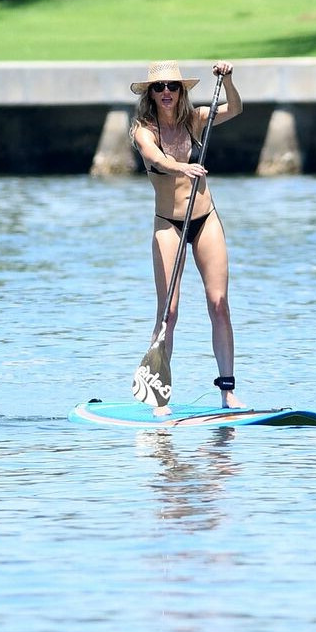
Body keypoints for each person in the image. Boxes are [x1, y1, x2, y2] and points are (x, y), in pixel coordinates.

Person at [128, 60, 244, 416]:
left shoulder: (195, 120)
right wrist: (182, 167)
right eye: (159, 87)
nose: (166, 92)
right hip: (169, 225)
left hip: (205, 218)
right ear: (150, 94)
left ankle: (227, 391)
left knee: (219, 302)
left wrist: (228, 82)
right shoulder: (143, 130)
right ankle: (157, 395)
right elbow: (155, 158)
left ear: (182, 92)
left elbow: (235, 108)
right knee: (169, 312)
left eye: (173, 87)